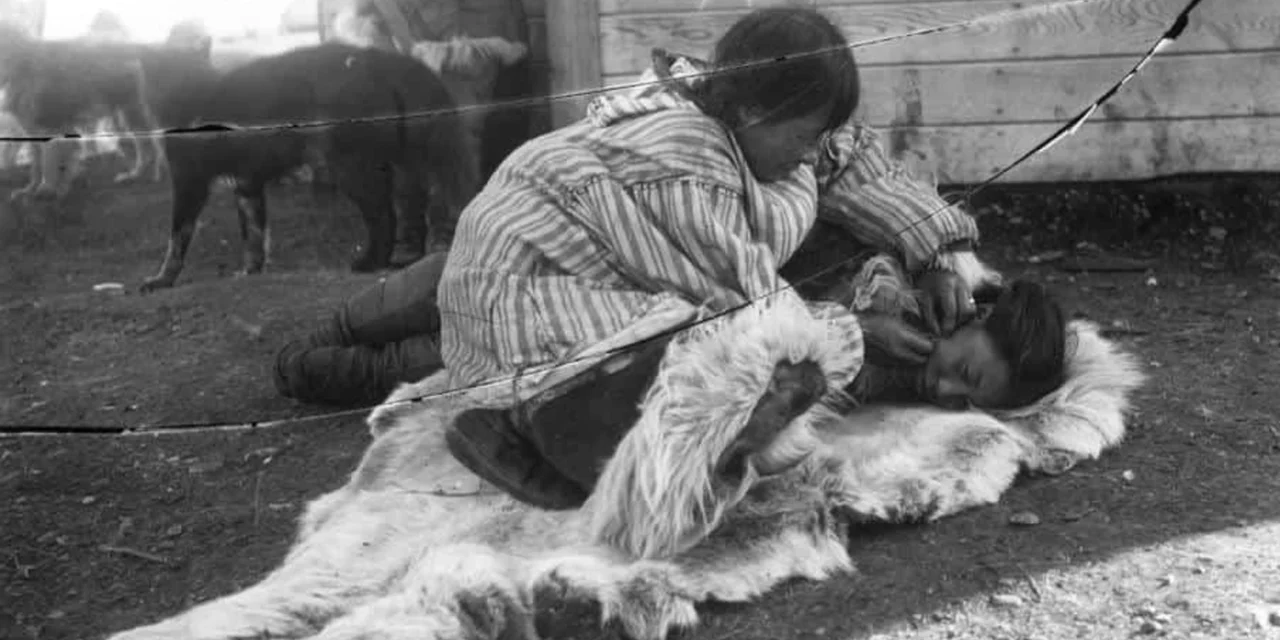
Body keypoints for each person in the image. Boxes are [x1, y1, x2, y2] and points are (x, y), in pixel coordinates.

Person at [274, 6, 1008, 509]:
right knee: (497, 362)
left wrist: (939, 250)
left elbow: (853, 157)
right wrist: (853, 331)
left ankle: (373, 334)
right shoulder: (693, 171)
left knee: (457, 302)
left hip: (522, 248)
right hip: (533, 284)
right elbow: (750, 316)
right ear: (754, 111)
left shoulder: (759, 113)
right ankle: (348, 373)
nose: (817, 150)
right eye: (807, 133)